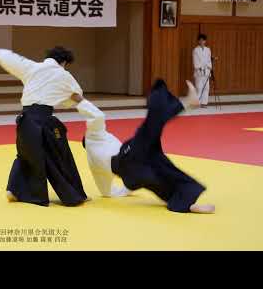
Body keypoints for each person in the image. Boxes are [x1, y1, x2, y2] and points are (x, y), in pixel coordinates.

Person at [80, 79, 215, 214]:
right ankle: (184, 103)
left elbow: (106, 191)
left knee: (162, 175)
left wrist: (128, 188)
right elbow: (96, 117)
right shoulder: (93, 136)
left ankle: (185, 204)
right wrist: (80, 101)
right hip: (128, 158)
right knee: (150, 127)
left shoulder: (93, 165)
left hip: (133, 172)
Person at [0, 46, 90, 207]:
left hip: (25, 120)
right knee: (60, 156)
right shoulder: (63, 74)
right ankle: (74, 194)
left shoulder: (32, 67)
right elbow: (76, 96)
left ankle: (14, 189)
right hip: (44, 121)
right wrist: (87, 108)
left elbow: (12, 60)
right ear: (63, 62)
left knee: (25, 155)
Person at [193, 34, 212, 107]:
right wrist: (199, 67)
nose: (202, 41)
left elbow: (209, 60)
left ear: (205, 41)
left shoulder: (208, 49)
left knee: (206, 87)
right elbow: (195, 61)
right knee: (199, 87)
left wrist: (209, 67)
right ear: (198, 41)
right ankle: (197, 103)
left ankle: (204, 103)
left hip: (207, 70)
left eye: (203, 40)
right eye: (200, 40)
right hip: (199, 71)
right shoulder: (195, 50)